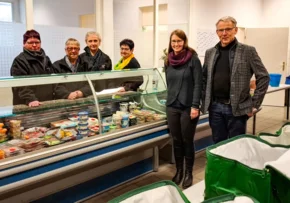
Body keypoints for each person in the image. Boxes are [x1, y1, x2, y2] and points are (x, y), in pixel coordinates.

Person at [201, 16, 269, 144]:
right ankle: (221, 164)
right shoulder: (210, 52)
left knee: (236, 145)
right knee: (218, 144)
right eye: (221, 30)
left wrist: (254, 104)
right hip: (215, 108)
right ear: (217, 32)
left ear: (235, 30)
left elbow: (263, 76)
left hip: (237, 108)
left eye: (228, 29)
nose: (224, 33)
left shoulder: (247, 51)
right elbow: (205, 78)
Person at [165, 29, 202, 189]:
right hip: (172, 106)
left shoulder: (193, 59)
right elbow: (169, 82)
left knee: (187, 141)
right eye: (174, 41)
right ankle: (179, 171)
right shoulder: (168, 60)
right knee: (176, 140)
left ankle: (188, 173)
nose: (176, 44)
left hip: (188, 107)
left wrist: (195, 105)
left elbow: (198, 83)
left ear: (184, 41)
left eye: (179, 41)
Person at [10, 30, 57, 106]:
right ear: (24, 44)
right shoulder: (19, 60)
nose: (34, 45)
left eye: (37, 42)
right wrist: (31, 99)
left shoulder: (46, 59)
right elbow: (20, 84)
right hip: (28, 105)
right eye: (30, 42)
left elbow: (53, 79)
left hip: (46, 102)